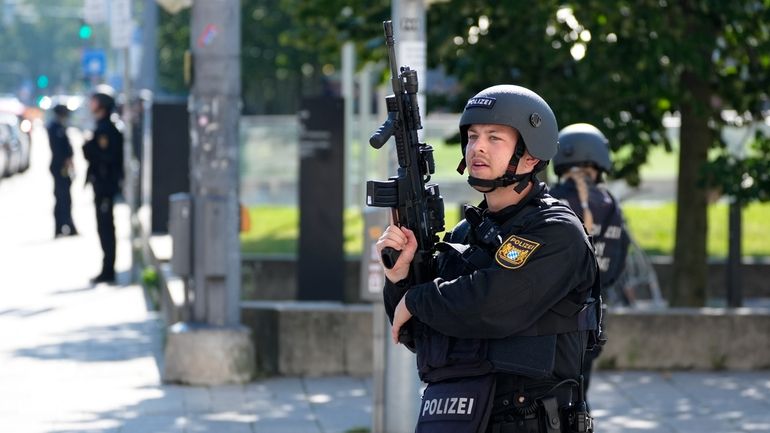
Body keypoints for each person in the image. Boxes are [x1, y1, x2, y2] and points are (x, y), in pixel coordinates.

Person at [376, 85, 601, 433]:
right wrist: (400, 277)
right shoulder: (467, 233)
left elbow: (492, 303)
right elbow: (414, 333)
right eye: (473, 136)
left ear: (530, 155)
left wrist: (418, 298)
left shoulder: (557, 232)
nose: (477, 146)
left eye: (495, 137)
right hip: (458, 416)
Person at [549, 123, 631, 396]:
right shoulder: (611, 203)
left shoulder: (551, 201)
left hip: (551, 320)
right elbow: (619, 259)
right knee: (580, 396)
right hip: (594, 318)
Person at [83, 88, 123, 284]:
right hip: (102, 184)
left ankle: (109, 270)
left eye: (95, 101)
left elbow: (108, 157)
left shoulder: (107, 129)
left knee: (106, 227)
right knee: (103, 227)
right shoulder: (101, 126)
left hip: (106, 185)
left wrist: (89, 148)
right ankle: (107, 268)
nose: (91, 104)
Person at [46, 104, 78, 237]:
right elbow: (60, 150)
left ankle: (65, 225)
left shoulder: (59, 126)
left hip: (62, 167)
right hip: (59, 167)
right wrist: (67, 163)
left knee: (64, 197)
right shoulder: (55, 128)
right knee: (62, 197)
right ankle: (63, 225)